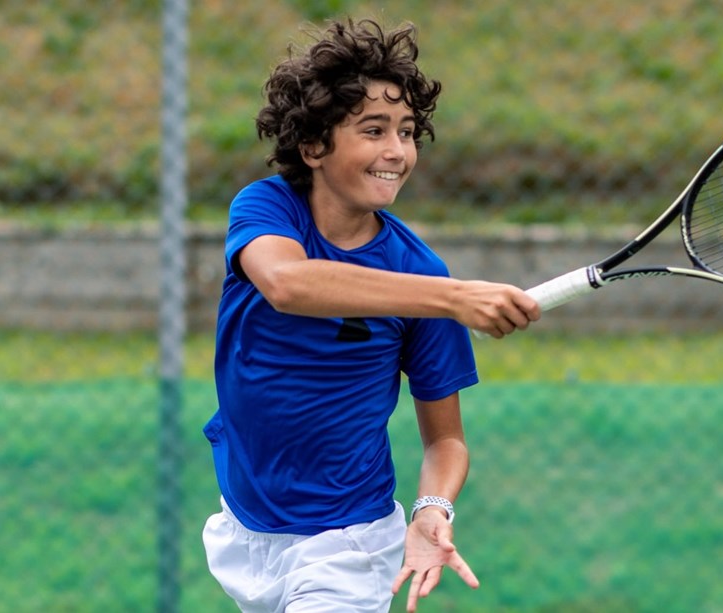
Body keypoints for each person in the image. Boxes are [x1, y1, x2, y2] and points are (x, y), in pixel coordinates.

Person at [201, 17, 540, 613]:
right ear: (313, 146)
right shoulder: (267, 208)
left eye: (407, 132)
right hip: (245, 527)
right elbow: (286, 283)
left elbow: (447, 441)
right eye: (373, 129)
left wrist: (433, 509)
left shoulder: (423, 275)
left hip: (349, 545)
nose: (397, 152)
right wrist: (455, 298)